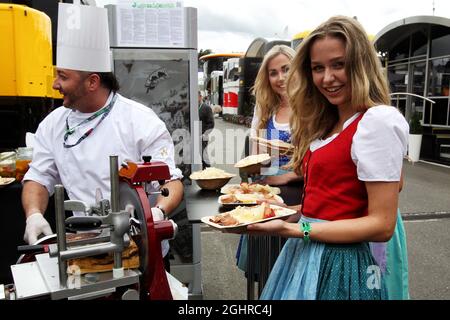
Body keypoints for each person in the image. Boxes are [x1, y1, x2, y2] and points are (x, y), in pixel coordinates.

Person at [245, 16, 409, 300]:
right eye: (317, 68)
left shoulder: (377, 121)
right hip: (310, 253)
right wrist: (283, 210)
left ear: (361, 64)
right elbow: (330, 203)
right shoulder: (328, 122)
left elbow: (382, 225)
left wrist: (292, 229)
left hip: (342, 263)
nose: (327, 78)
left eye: (338, 64)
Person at [21, 4, 183, 272]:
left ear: (92, 82)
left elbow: (171, 182)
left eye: (63, 76)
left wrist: (157, 213)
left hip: (141, 251)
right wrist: (34, 215)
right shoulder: (52, 125)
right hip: (84, 250)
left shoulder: (139, 121)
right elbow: (38, 178)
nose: (54, 84)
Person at [236, 45, 302, 292]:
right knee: (265, 270)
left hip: (298, 194)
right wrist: (254, 170)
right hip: (266, 195)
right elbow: (257, 155)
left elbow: (321, 162)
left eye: (286, 69)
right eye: (273, 72)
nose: (280, 77)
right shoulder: (266, 109)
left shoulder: (312, 107)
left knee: (292, 273)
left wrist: (285, 177)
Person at [198, 91, 215, 168]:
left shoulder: (206, 108)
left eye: (197, 97)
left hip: (203, 136)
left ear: (200, 97)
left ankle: (208, 170)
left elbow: (211, 123)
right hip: (193, 136)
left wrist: (204, 134)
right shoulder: (192, 108)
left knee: (203, 154)